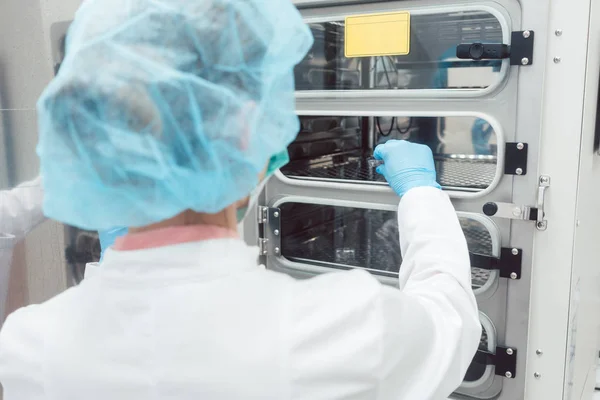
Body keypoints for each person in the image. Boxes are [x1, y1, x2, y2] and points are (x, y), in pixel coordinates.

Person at [0, 1, 480, 399]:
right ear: (249, 133)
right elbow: (450, 322)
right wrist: (420, 191)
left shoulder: (26, 348)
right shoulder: (340, 331)